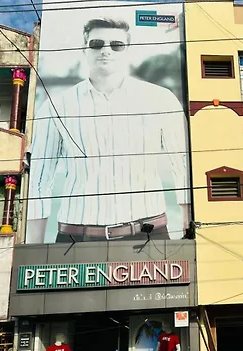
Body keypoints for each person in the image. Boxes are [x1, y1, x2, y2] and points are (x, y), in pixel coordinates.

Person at [27, 17, 189, 244]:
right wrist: (34, 248)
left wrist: (187, 230)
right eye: (96, 44)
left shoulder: (161, 99)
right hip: (76, 239)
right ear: (84, 49)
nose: (106, 50)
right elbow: (39, 180)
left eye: (116, 45)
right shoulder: (56, 106)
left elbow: (183, 166)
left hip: (149, 235)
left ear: (128, 49)